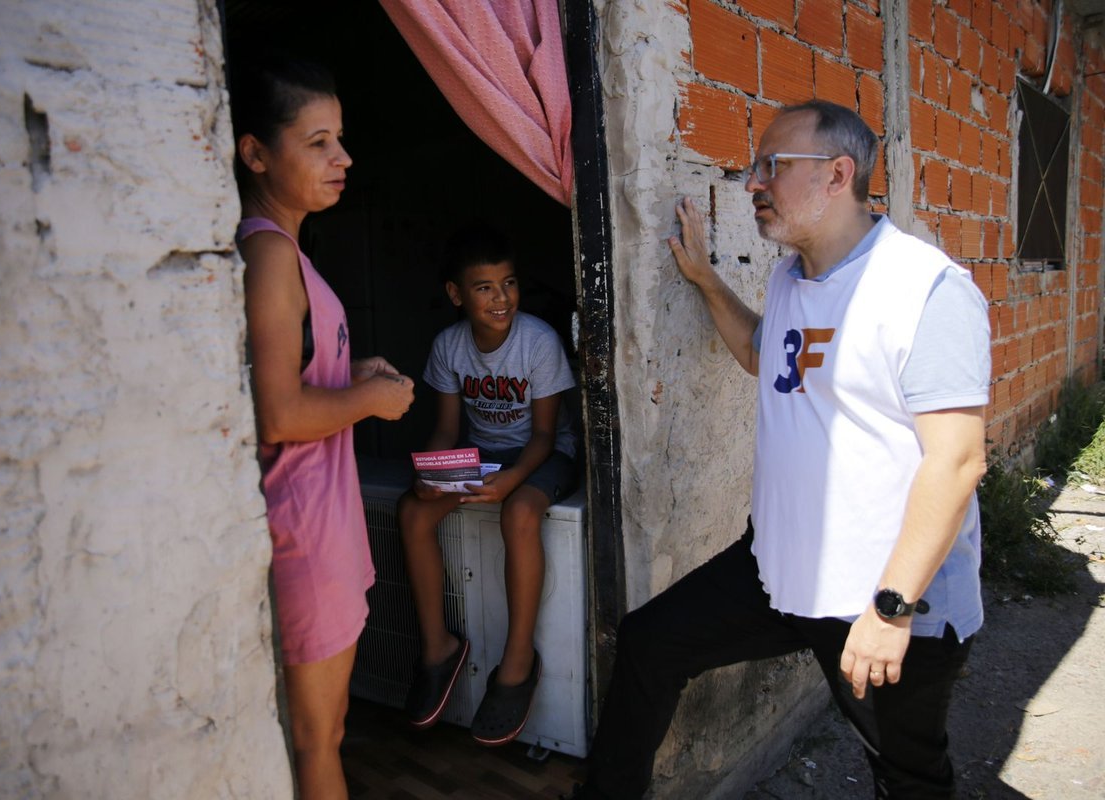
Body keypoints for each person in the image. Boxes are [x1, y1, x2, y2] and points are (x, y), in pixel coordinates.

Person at [568, 100, 990, 799]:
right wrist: (706, 280)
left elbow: (956, 461)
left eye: (773, 167)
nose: (752, 183)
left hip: (889, 596)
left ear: (837, 175)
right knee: (651, 643)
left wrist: (890, 612)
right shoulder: (791, 278)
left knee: (907, 772)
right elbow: (765, 355)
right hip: (781, 569)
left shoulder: (923, 290)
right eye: (755, 168)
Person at [231, 54, 415, 798]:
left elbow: (300, 372)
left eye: (338, 139)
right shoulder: (269, 254)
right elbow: (278, 413)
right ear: (255, 153)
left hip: (324, 523)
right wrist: (369, 404)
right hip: (303, 528)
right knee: (317, 746)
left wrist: (355, 370)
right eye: (317, 142)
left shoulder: (290, 250)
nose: (343, 158)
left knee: (327, 734)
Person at [398, 222, 578, 746]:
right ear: (456, 295)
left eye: (509, 283)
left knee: (519, 512)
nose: (502, 298)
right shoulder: (449, 346)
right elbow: (447, 430)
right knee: (413, 509)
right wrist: (432, 471)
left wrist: (512, 481)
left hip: (543, 455)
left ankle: (517, 661)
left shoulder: (539, 341)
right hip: (480, 456)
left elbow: (545, 435)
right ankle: (438, 648)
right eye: (484, 287)